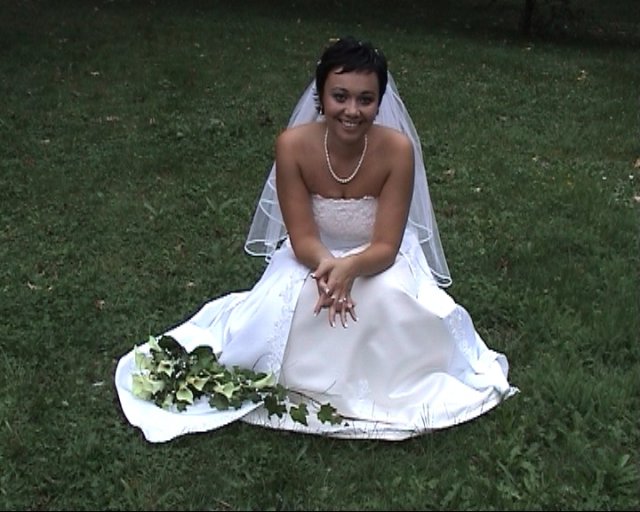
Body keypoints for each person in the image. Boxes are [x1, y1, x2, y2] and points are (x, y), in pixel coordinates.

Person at [115, 36, 518, 443]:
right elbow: (302, 234)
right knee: (297, 303)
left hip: (378, 258)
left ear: (379, 102)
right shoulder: (292, 145)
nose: (352, 110)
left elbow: (387, 245)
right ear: (321, 97)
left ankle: (382, 386)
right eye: (340, 96)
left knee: (385, 298)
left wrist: (349, 268)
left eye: (365, 99)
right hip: (310, 253)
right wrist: (329, 268)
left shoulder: (397, 150)